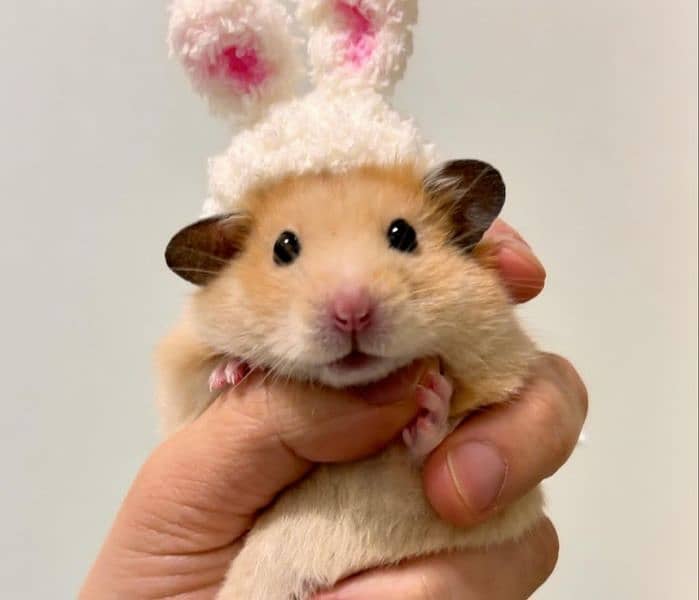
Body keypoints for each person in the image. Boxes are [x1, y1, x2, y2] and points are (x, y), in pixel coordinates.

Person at [81, 221, 588, 599]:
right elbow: (182, 403)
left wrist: (445, 421)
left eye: (399, 236)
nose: (350, 304)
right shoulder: (213, 339)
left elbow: (504, 368)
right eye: (286, 249)